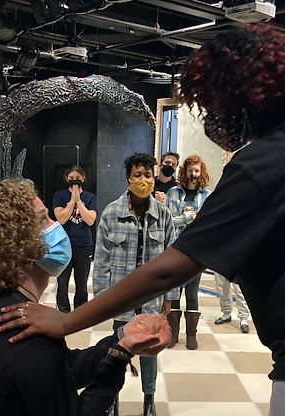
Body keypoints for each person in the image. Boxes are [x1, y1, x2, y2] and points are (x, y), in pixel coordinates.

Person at [0, 24, 285, 416]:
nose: (212, 117)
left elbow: (172, 268)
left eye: (215, 102)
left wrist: (68, 320)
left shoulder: (266, 162)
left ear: (247, 96)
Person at [0, 179, 170, 416]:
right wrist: (119, 358)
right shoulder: (24, 335)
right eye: (44, 219)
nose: (57, 226)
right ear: (18, 245)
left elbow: (59, 369)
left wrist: (119, 340)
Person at [93, 153, 179, 416]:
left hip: (151, 299)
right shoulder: (111, 213)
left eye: (148, 175)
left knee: (150, 351)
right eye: (137, 175)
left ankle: (149, 400)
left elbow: (173, 260)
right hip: (121, 298)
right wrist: (102, 299)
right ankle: (112, 401)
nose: (144, 180)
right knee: (118, 351)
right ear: (128, 179)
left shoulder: (163, 215)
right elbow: (101, 260)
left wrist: (171, 297)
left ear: (154, 178)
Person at [164, 155, 212, 349]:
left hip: (197, 252)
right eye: (191, 170)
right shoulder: (172, 193)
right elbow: (167, 221)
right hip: (175, 249)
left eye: (197, 171)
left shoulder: (208, 196)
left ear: (202, 173)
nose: (193, 174)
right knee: (174, 293)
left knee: (192, 294)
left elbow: (208, 224)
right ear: (184, 171)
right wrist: (186, 217)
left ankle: (191, 334)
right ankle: (172, 334)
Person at [52, 166, 97, 313]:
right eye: (71, 179)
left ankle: (80, 312)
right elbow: (61, 219)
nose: (75, 181)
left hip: (84, 245)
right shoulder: (59, 195)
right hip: (63, 245)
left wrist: (79, 202)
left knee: (82, 283)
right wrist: (72, 201)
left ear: (83, 179)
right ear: (66, 179)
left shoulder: (90, 197)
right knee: (62, 282)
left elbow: (90, 220)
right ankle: (63, 312)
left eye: (78, 178)